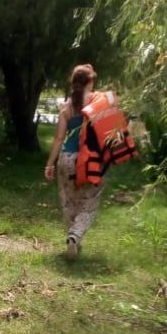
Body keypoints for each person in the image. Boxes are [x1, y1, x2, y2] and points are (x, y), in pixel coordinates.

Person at [44, 64, 102, 258]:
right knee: (90, 201)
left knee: (68, 201)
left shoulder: (66, 107)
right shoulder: (97, 103)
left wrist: (50, 164)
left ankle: (72, 236)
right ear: (90, 82)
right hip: (90, 160)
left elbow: (59, 138)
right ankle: (75, 235)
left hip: (66, 159)